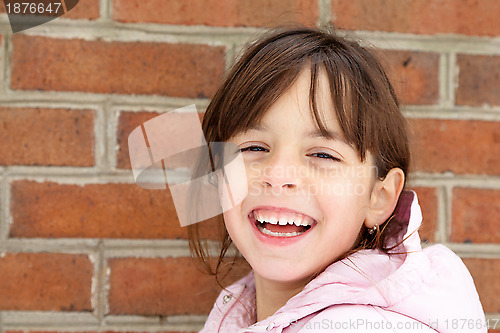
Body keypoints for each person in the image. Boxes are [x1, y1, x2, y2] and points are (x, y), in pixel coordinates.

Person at [187, 26, 486, 332]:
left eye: (323, 155)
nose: (277, 175)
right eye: (254, 147)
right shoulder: (237, 308)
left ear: (378, 197)